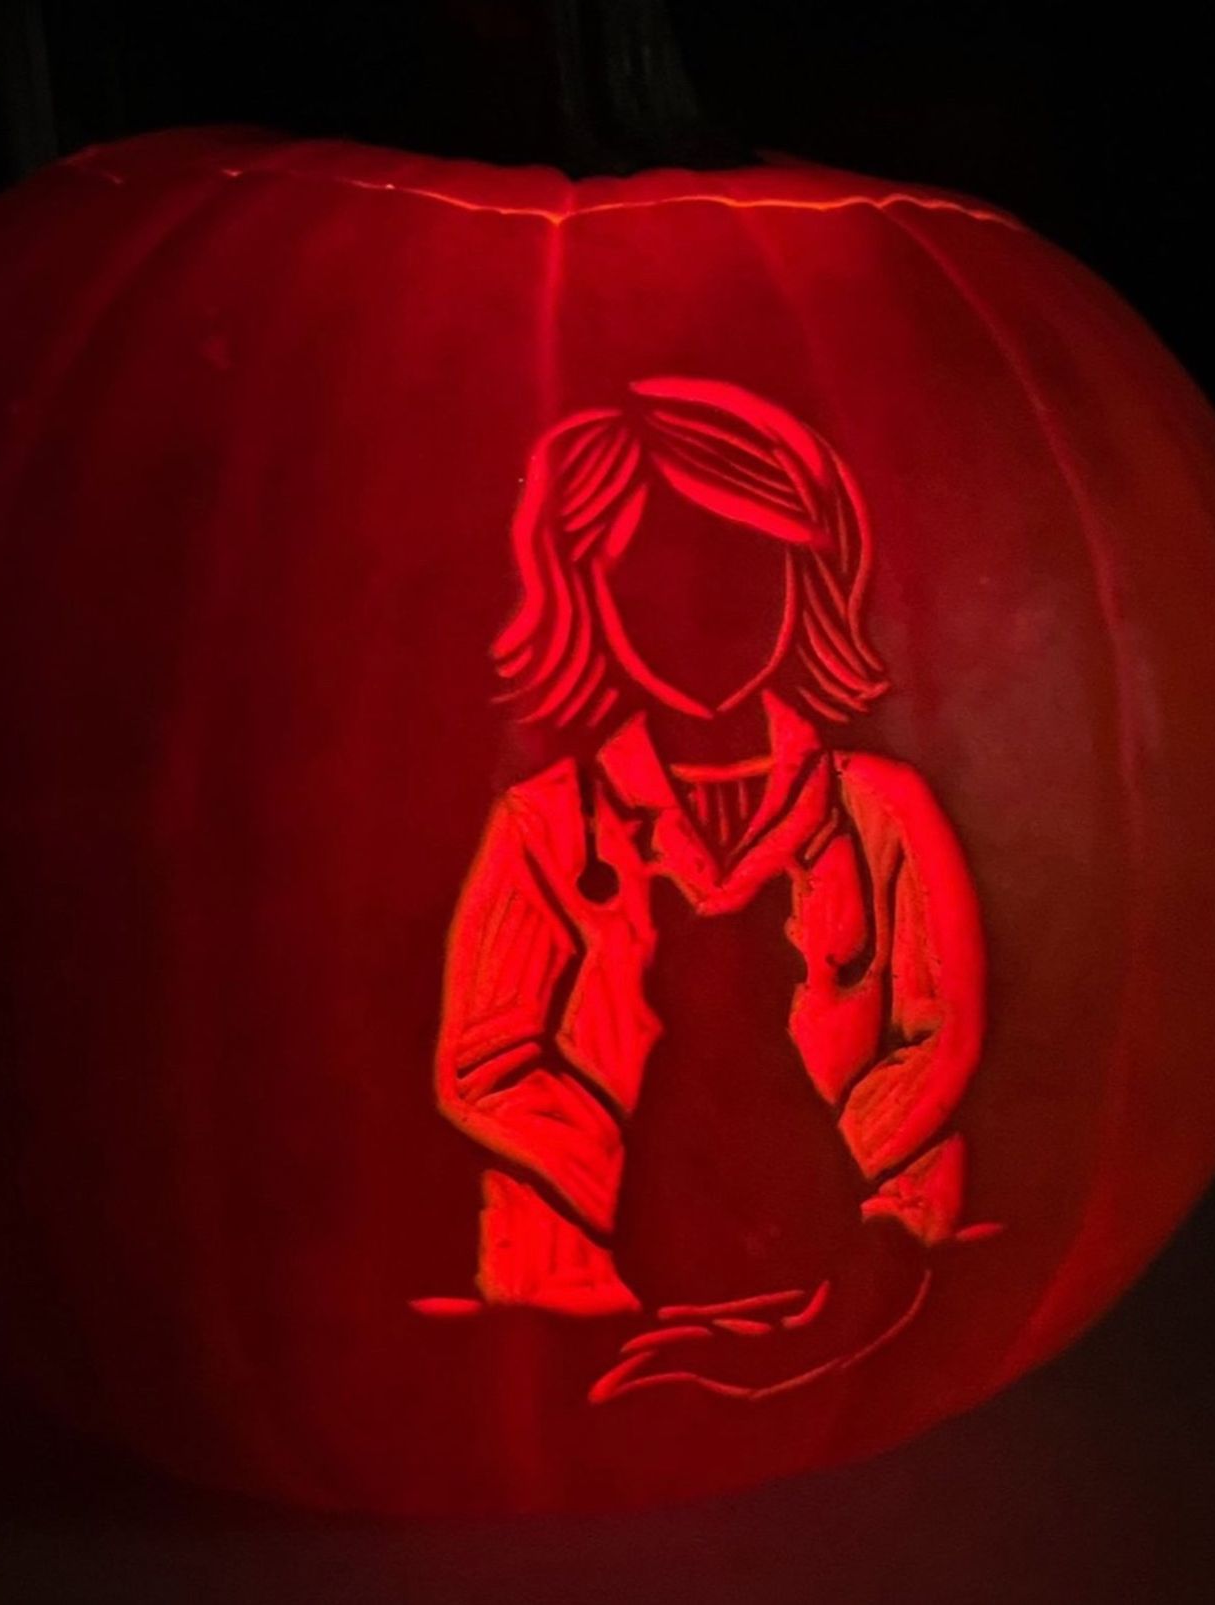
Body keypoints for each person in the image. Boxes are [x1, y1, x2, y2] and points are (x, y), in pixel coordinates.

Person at [416, 377, 989, 1402]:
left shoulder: (881, 809)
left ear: (799, 574)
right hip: (587, 1286)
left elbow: (936, 1028)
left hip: (847, 1259)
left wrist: (801, 1188)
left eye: (737, 559)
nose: (698, 606)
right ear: (590, 590)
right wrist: (654, 1190)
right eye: (650, 568)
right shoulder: (544, 824)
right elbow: (483, 1061)